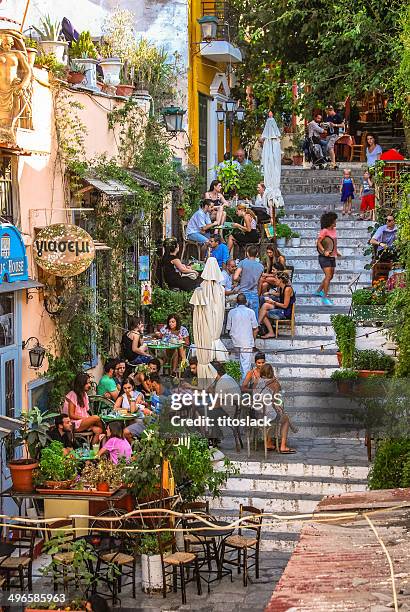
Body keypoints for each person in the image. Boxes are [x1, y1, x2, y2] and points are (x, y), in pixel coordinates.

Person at [254, 364, 295, 452]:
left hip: (256, 415)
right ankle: (283, 446)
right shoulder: (274, 383)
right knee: (285, 419)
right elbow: (275, 400)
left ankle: (268, 442)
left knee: (271, 414)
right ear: (272, 372)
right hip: (267, 415)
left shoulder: (257, 381)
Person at [226, 293, 259, 382]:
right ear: (246, 302)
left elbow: (228, 328)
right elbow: (255, 329)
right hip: (247, 341)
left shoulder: (231, 312)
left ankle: (240, 383)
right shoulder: (251, 312)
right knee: (245, 365)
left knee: (239, 363)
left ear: (237, 302)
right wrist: (253, 341)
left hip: (235, 341)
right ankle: (244, 384)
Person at [64, 373, 103, 444]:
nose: (89, 385)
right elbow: (71, 415)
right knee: (96, 418)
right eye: (87, 383)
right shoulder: (73, 394)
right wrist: (85, 418)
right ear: (81, 384)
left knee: (98, 430)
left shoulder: (84, 394)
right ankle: (106, 432)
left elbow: (86, 411)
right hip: (74, 423)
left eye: (89, 383)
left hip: (82, 421)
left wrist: (88, 420)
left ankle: (93, 451)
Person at [258, 272, 295, 338]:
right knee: (265, 305)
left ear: (280, 280)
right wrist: (269, 293)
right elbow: (279, 294)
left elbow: (285, 306)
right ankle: (260, 325)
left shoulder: (287, 289)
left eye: (276, 279)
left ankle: (257, 327)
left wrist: (273, 302)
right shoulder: (282, 287)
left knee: (263, 313)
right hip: (282, 308)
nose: (275, 280)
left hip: (285, 312)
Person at [315, 211, 341, 306]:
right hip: (324, 257)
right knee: (328, 276)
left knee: (331, 276)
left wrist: (336, 252)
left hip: (332, 256)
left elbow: (332, 243)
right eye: (334, 220)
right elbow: (318, 243)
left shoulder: (334, 230)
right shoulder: (324, 231)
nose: (336, 222)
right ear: (330, 221)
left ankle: (318, 291)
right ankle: (325, 297)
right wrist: (324, 251)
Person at [232, 245, 264, 317]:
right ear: (257, 254)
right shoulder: (261, 266)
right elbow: (260, 281)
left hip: (243, 295)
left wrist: (241, 280)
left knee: (241, 318)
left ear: (247, 253)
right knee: (254, 321)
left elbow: (235, 277)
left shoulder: (242, 263)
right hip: (254, 294)